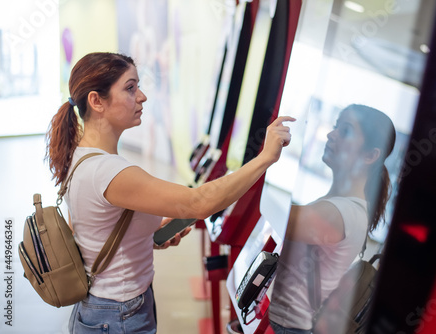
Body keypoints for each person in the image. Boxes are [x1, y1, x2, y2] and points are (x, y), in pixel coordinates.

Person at [45, 52, 294, 334]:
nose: (142, 96)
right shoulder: (106, 171)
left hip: (106, 308)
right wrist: (264, 158)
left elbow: (95, 232)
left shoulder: (83, 156)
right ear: (96, 101)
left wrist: (146, 237)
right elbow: (199, 203)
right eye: (130, 88)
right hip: (118, 315)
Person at [269, 104, 396, 333]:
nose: (330, 134)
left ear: (370, 155)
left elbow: (272, 212)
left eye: (345, 130)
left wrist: (266, 156)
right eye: (336, 126)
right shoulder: (341, 206)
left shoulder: (341, 213)